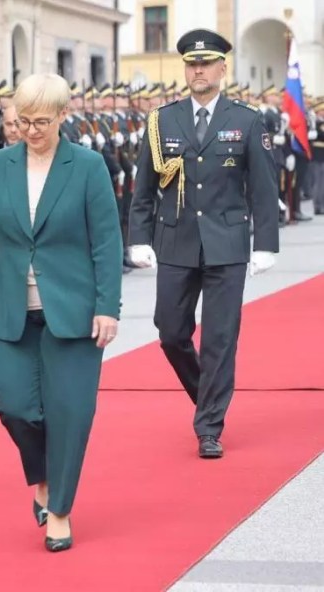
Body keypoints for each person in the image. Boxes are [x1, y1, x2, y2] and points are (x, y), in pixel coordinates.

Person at [0, 73, 123, 552]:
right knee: (14, 406)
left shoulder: (88, 166)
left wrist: (107, 307)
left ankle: (60, 511)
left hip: (72, 311)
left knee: (70, 414)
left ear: (63, 117)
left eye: (42, 122)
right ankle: (43, 477)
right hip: (11, 309)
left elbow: (106, 243)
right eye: (23, 121)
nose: (31, 131)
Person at [128, 29, 279, 459]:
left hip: (227, 242)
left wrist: (265, 243)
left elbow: (264, 188)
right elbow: (143, 188)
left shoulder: (247, 120)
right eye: (192, 64)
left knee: (219, 338)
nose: (199, 70)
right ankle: (206, 396)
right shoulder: (162, 120)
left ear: (221, 68)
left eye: (206, 63)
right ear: (185, 70)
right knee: (171, 332)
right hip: (175, 239)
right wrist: (139, 238)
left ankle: (209, 425)